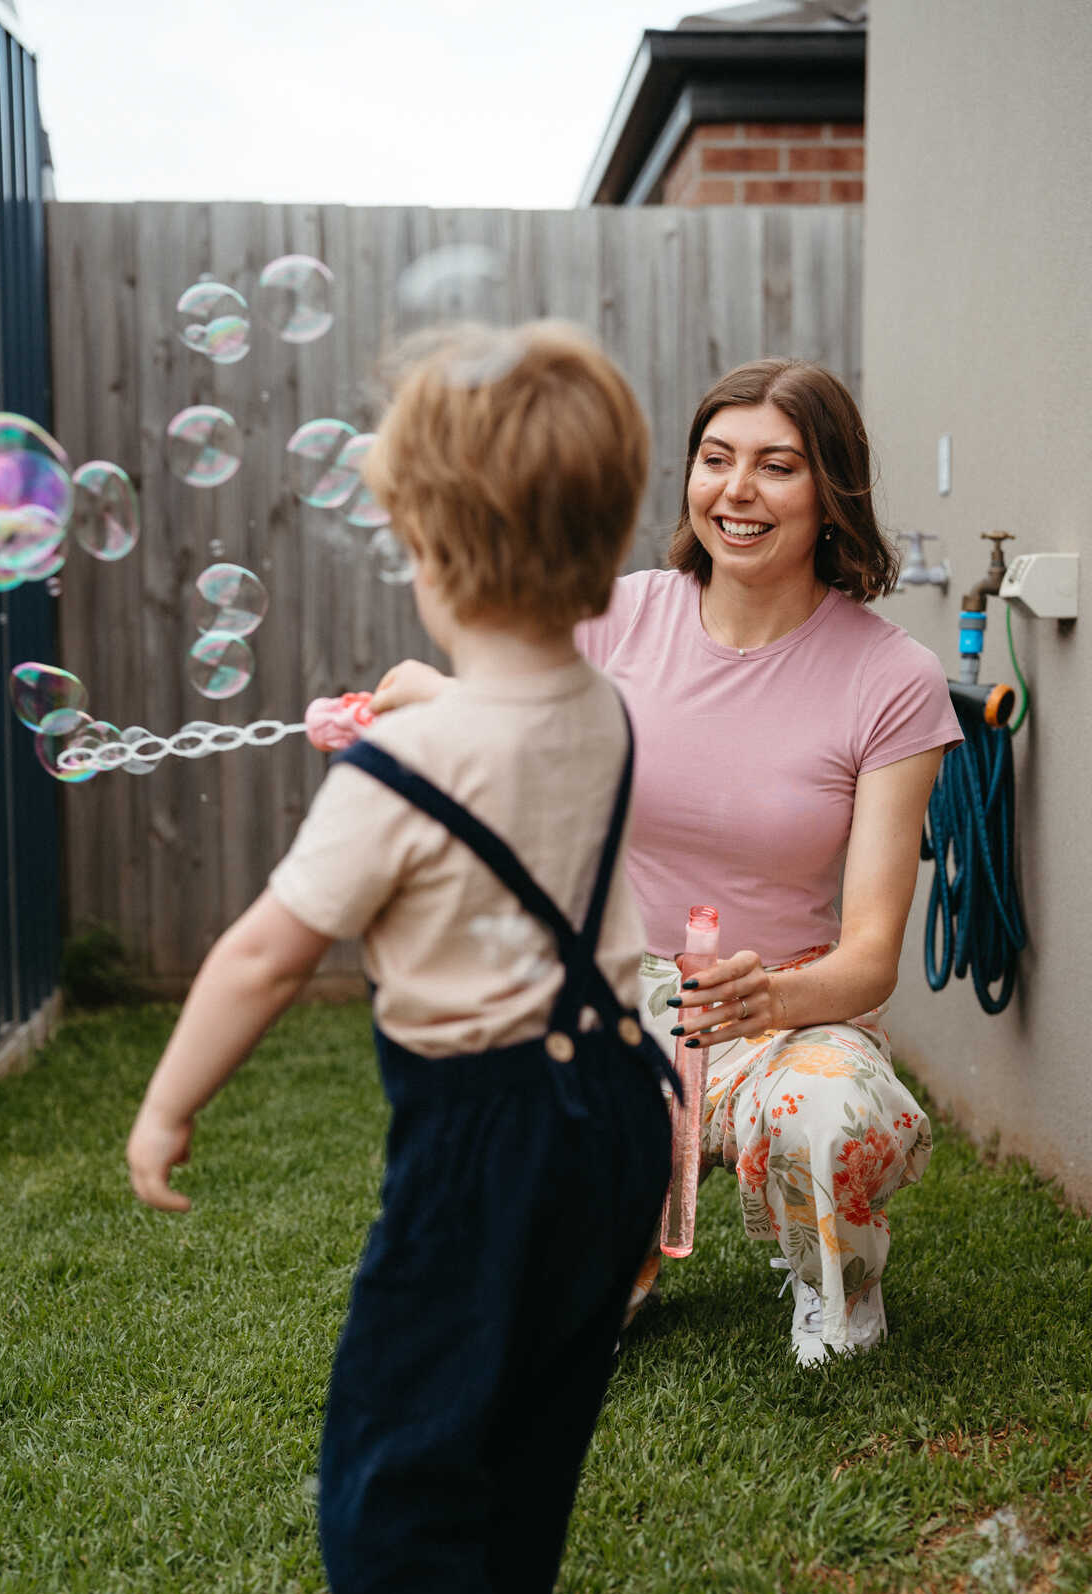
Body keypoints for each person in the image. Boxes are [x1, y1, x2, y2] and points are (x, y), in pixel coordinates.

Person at [126, 321, 674, 1594]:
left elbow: (256, 954)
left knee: (395, 1452)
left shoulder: (396, 775)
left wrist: (167, 1111)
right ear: (604, 541)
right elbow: (497, 728)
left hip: (485, 1142)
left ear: (431, 548)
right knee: (527, 1423)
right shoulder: (608, 712)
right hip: (617, 1118)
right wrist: (415, 711)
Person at [373, 358, 963, 1366]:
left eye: (775, 466)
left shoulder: (889, 680)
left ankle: (834, 1287)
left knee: (826, 1111)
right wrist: (416, 691)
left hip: (773, 1006)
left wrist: (769, 999)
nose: (735, 490)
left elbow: (868, 962)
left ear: (830, 493)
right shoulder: (617, 615)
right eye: (714, 458)